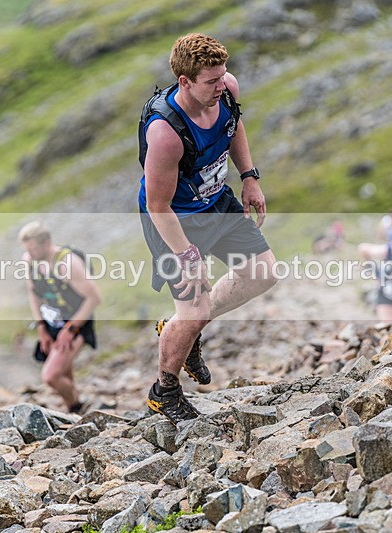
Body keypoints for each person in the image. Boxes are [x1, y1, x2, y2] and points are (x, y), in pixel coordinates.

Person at [138, 33, 277, 425]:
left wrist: (249, 177)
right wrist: (187, 256)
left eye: (223, 76)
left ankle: (182, 329)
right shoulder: (165, 133)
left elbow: (234, 127)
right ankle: (164, 392)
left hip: (217, 203)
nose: (222, 85)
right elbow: (157, 206)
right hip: (175, 220)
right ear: (184, 82)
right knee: (194, 308)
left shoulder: (226, 90)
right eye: (211, 81)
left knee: (263, 272)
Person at [18, 221, 101, 413]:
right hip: (51, 322)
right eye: (26, 249)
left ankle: (76, 407)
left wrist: (70, 329)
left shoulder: (68, 264)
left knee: (51, 375)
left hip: (78, 322)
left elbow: (94, 298)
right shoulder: (29, 261)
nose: (29, 254)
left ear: (47, 243)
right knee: (63, 370)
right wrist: (41, 328)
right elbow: (33, 294)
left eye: (33, 249)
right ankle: (79, 412)